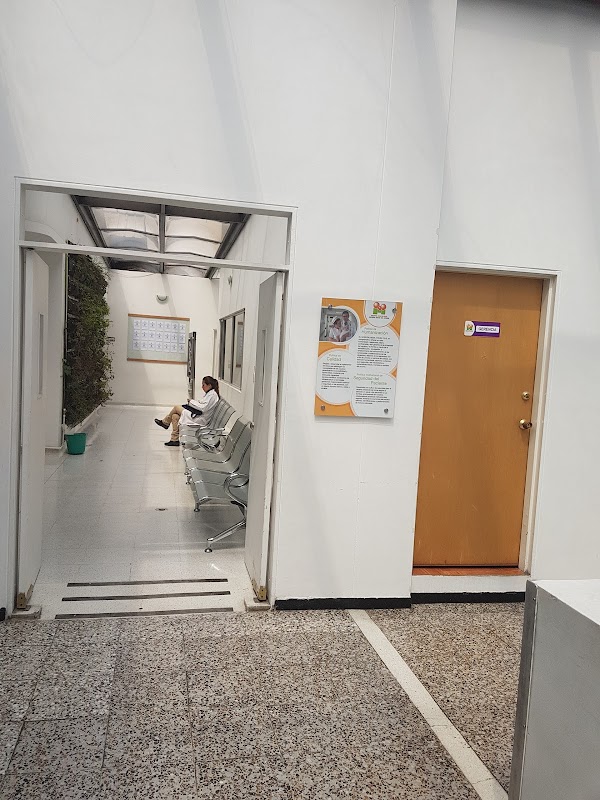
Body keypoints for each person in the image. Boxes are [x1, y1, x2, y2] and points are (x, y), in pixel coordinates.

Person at [155, 376, 220, 446]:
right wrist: (193, 402)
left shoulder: (212, 395)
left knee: (176, 408)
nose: (202, 387)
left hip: (200, 419)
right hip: (199, 415)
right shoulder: (210, 394)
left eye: (203, 385)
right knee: (175, 416)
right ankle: (174, 440)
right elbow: (202, 404)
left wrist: (191, 402)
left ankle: (165, 422)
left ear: (209, 385)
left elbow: (203, 408)